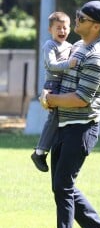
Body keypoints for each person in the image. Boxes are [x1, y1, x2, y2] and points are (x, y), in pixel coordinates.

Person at [35, 0, 100, 228]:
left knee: (63, 186)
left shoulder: (97, 57)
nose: (76, 21)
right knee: (62, 186)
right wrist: (50, 97)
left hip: (81, 128)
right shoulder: (81, 47)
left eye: (80, 18)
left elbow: (82, 98)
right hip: (65, 125)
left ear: (95, 26)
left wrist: (50, 99)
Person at [31, 11, 77, 172]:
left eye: (65, 28)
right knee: (54, 118)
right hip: (53, 84)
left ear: (70, 29)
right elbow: (51, 65)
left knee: (60, 118)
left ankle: (52, 146)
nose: (62, 31)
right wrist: (69, 64)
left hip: (64, 83)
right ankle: (39, 152)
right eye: (58, 28)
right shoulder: (49, 45)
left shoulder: (71, 46)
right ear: (50, 29)